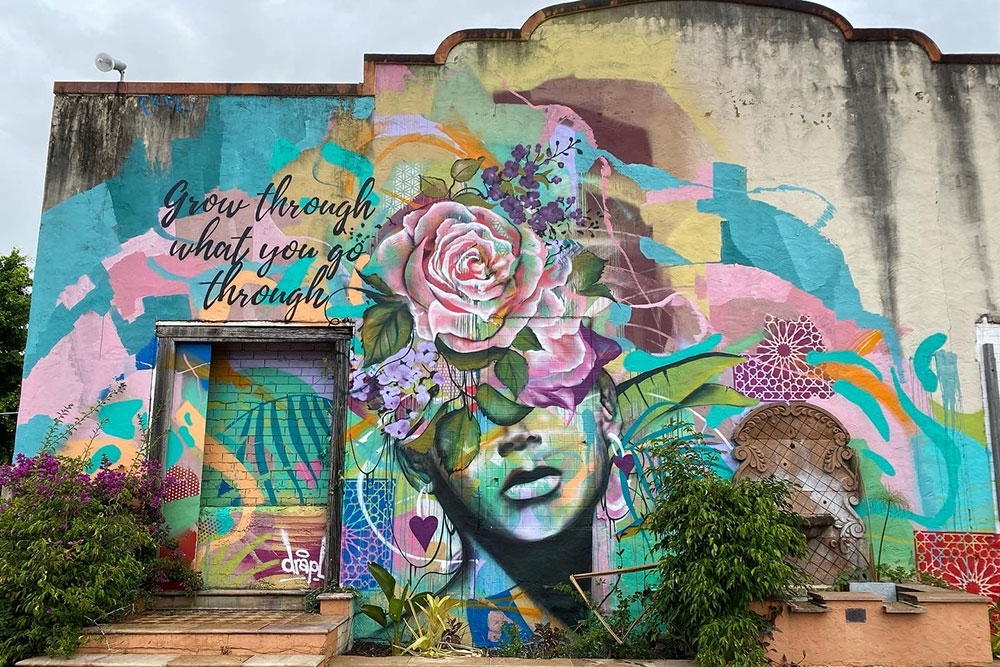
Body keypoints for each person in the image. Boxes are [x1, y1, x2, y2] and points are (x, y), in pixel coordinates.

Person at [396, 370, 620, 636]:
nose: (517, 436)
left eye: (542, 391)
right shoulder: (431, 628)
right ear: (418, 463)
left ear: (605, 404)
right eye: (471, 411)